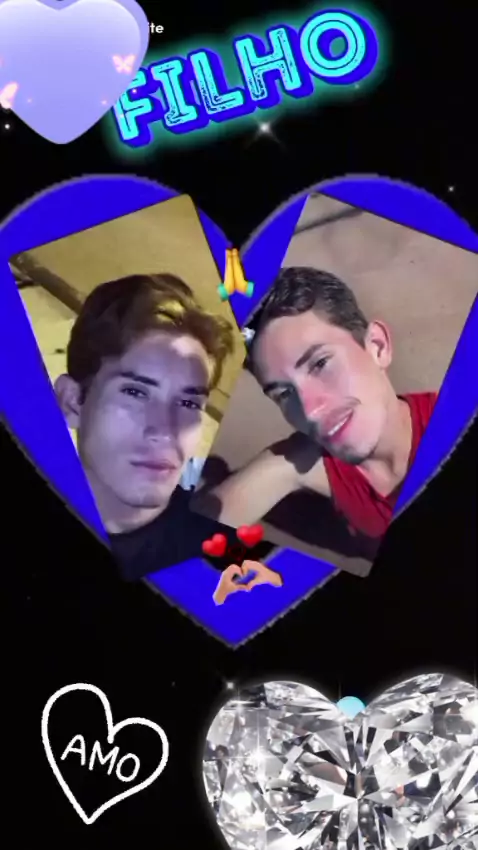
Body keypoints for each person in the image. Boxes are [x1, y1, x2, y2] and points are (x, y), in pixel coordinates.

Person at [193, 267, 437, 556]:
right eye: (284, 394)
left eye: (320, 364)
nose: (311, 412)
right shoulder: (310, 459)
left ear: (377, 347)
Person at [54, 271, 276, 582]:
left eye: (188, 403)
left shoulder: (234, 556)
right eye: (135, 392)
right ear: (72, 402)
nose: (166, 432)